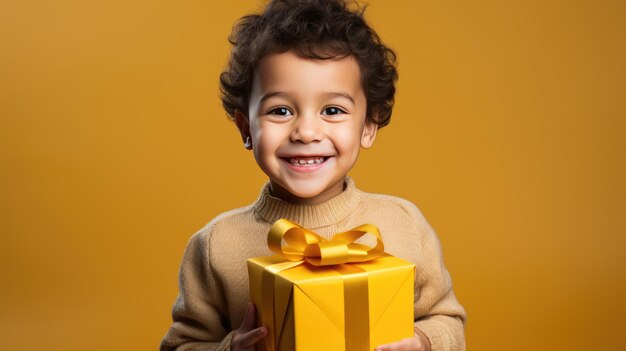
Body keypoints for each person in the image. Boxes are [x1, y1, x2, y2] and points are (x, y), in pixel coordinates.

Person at [160, 0, 466, 350]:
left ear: (369, 124)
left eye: (332, 110)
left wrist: (424, 342)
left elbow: (447, 320)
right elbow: (181, 345)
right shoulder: (215, 246)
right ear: (246, 127)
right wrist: (231, 348)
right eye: (281, 110)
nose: (306, 132)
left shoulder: (403, 224)